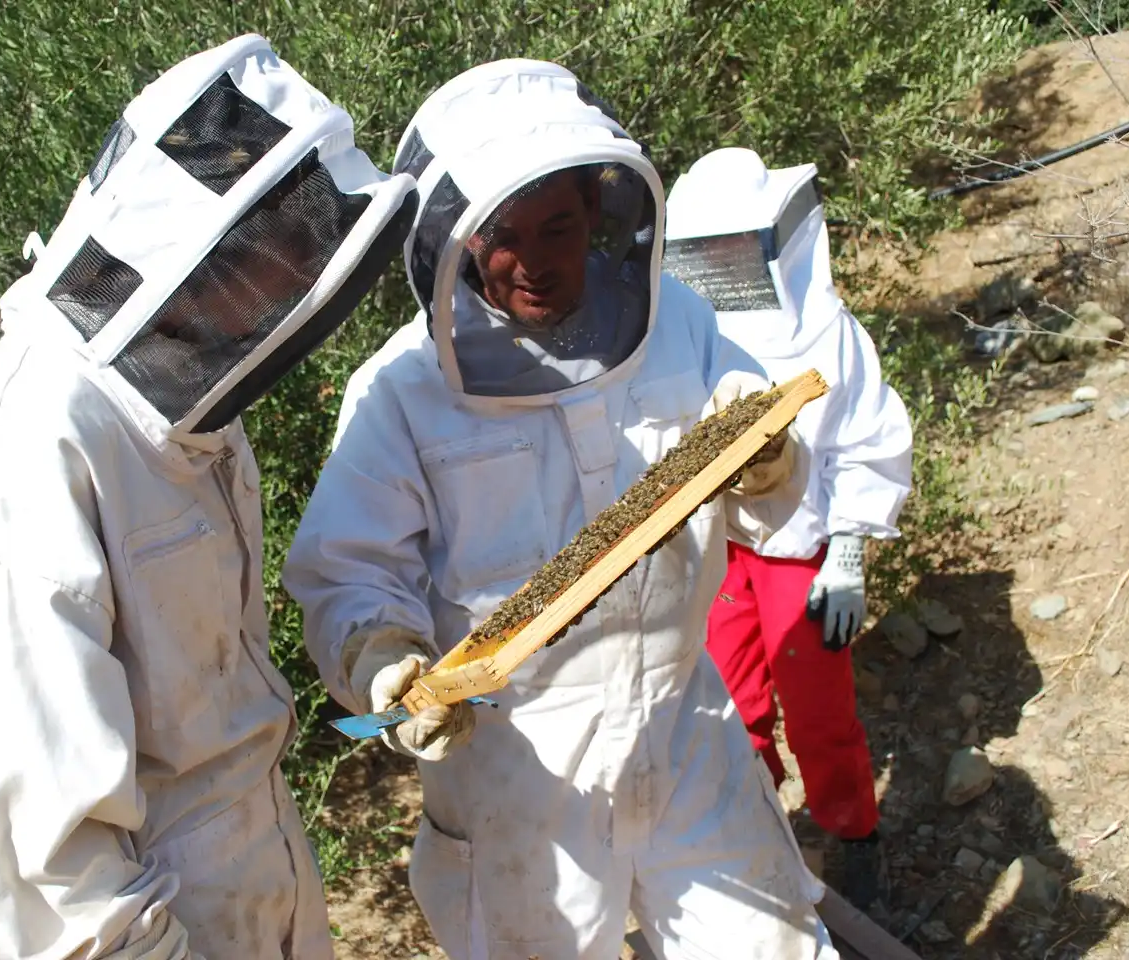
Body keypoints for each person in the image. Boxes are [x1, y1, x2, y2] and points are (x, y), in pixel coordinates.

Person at [0, 34, 418, 960]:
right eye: (269, 248)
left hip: (262, 868)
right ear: (191, 238)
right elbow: (54, 840)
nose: (283, 279)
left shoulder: (193, 404)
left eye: (297, 250)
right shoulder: (32, 436)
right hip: (156, 912)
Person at [282, 60, 840, 960]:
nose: (534, 261)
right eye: (503, 236)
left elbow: (762, 450)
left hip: (682, 720)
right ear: (455, 241)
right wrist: (384, 664)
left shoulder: (679, 326)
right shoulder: (401, 390)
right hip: (517, 763)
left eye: (561, 227)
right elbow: (349, 570)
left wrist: (766, 459)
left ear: (601, 218)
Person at [663, 147, 914, 909]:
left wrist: (847, 552)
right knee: (729, 705)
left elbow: (867, 440)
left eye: (735, 247)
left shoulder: (831, 334)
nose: (725, 263)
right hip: (720, 551)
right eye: (708, 251)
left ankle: (853, 835)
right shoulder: (686, 334)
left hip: (801, 551)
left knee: (819, 711)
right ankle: (756, 837)